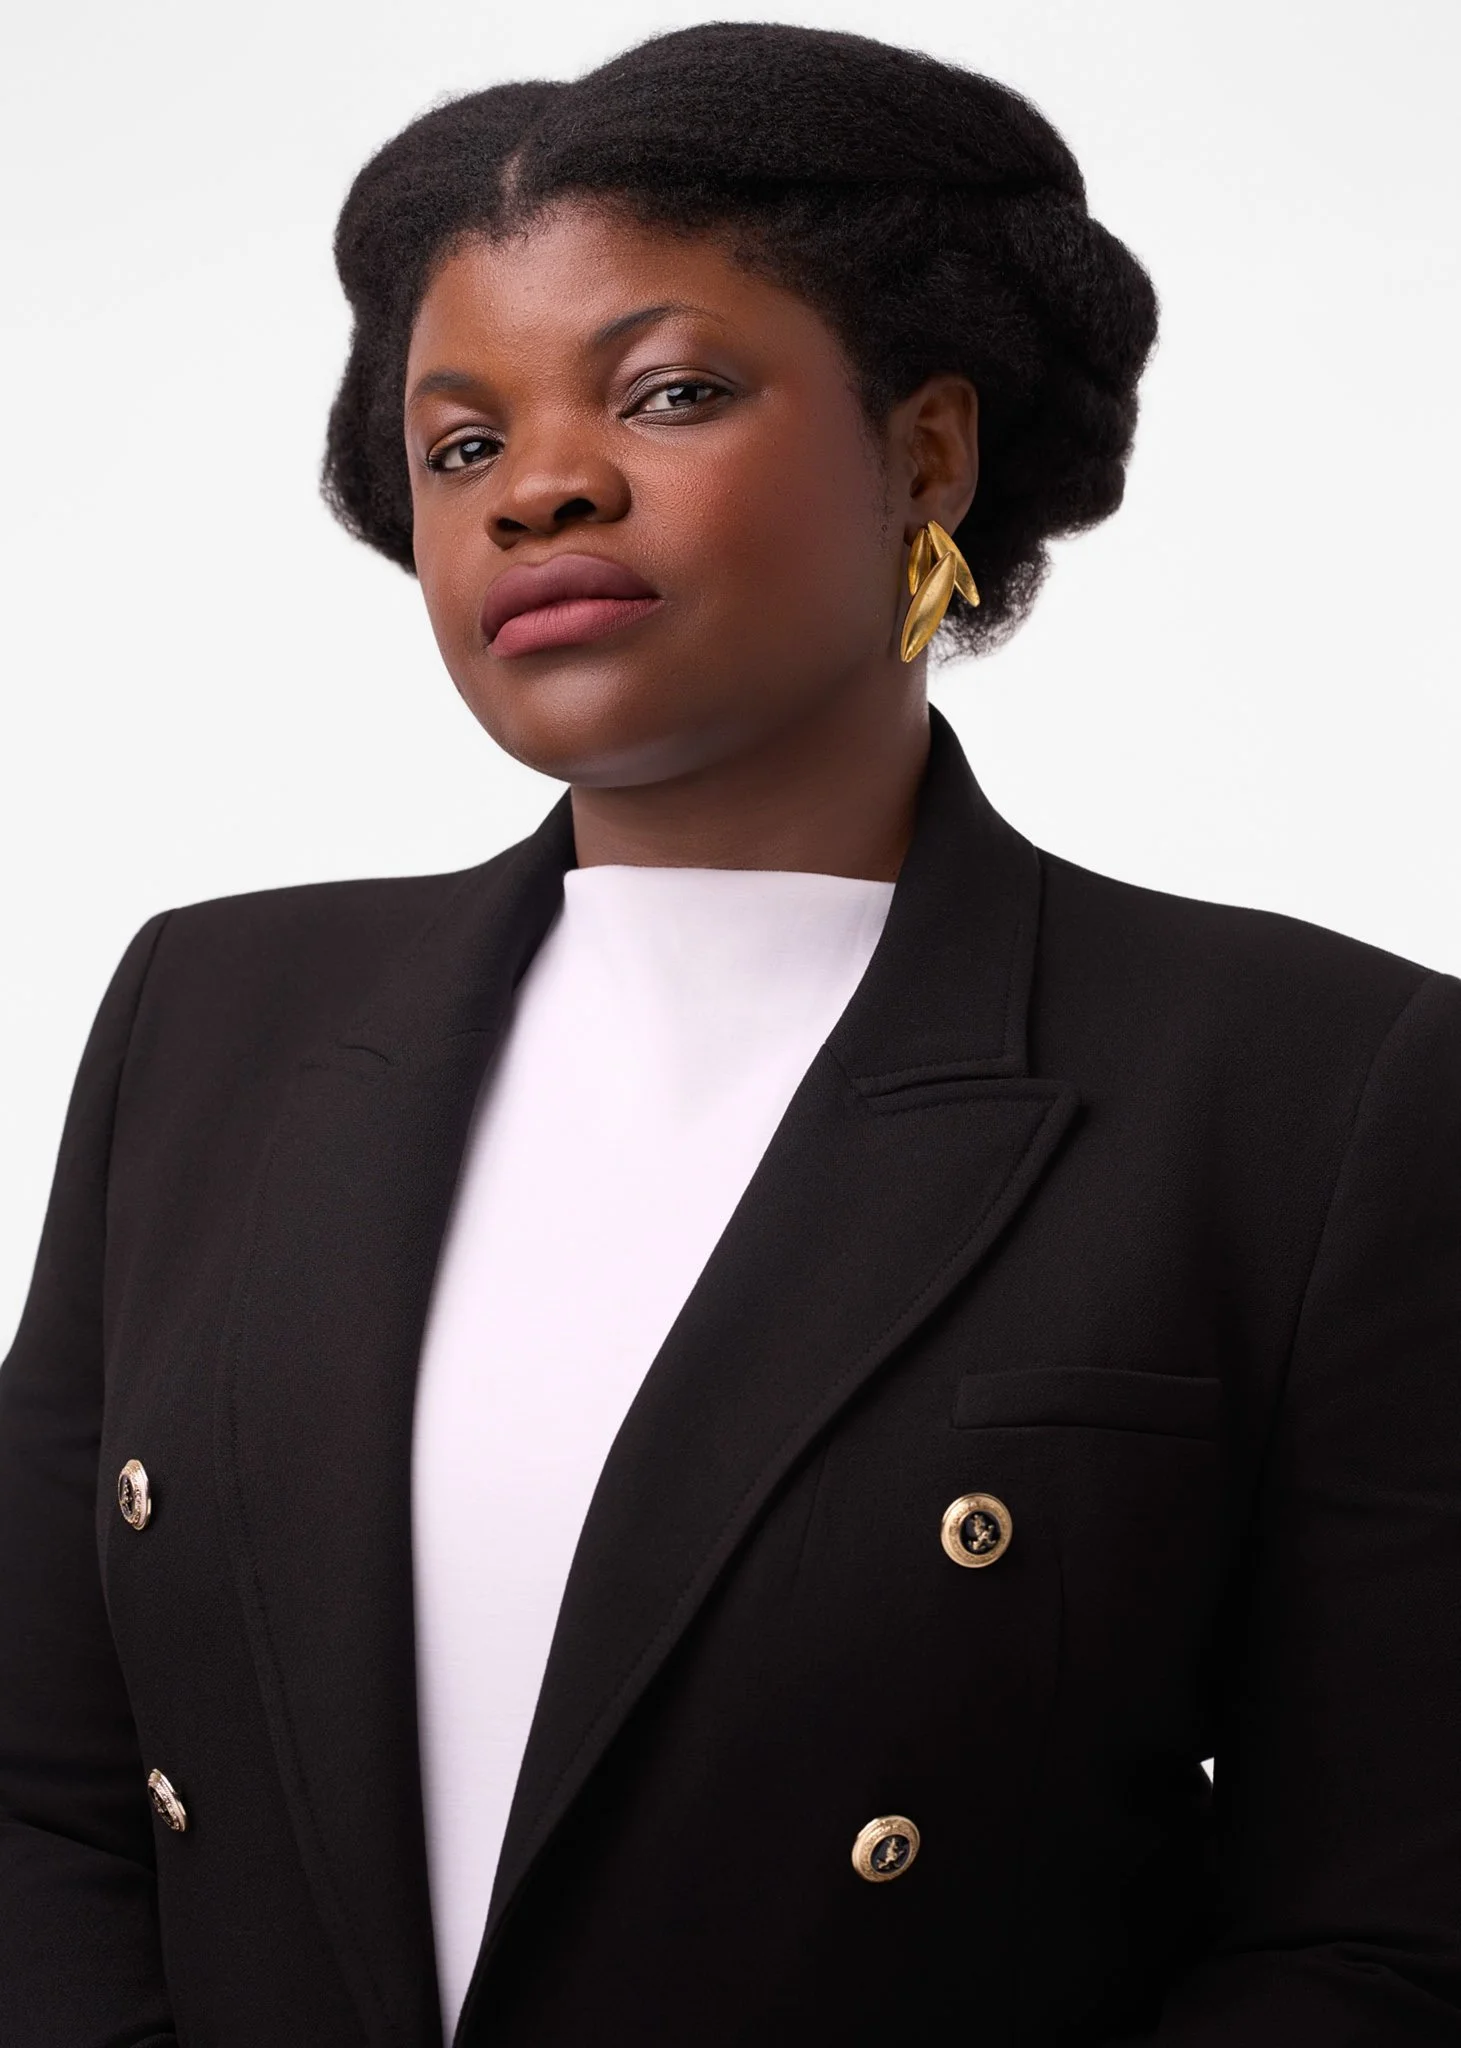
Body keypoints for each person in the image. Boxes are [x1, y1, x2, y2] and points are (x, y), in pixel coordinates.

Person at [1, 21, 1458, 2048]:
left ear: (927, 453)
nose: (542, 490)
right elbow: (43, 1807)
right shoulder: (209, 1020)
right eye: (461, 442)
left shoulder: (1319, 1084)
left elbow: (1390, 1926)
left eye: (668, 390)